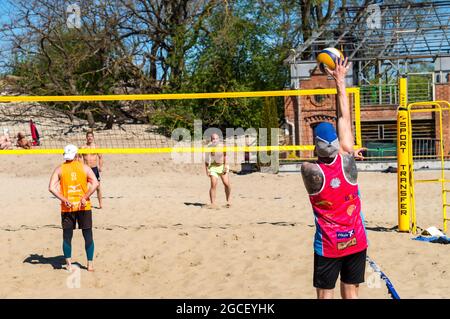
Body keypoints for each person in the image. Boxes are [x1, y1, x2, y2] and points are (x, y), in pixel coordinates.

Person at [300, 57, 368, 299]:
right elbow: (344, 119)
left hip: (328, 245)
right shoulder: (349, 160)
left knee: (324, 295)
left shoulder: (309, 171)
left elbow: (328, 150)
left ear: (316, 148)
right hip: (356, 240)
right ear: (338, 146)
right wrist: (340, 81)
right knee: (351, 293)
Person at [48, 144, 99, 272]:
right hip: (83, 206)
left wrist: (64, 199)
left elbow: (51, 188)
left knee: (67, 236)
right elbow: (95, 183)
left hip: (67, 207)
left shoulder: (59, 169)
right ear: (77, 155)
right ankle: (90, 264)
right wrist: (85, 197)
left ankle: (69, 264)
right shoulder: (85, 168)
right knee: (88, 235)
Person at [205, 133, 231, 209]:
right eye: (213, 139)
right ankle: (213, 203)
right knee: (213, 184)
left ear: (219, 139)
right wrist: (207, 170)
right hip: (213, 167)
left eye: (216, 138)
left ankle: (228, 201)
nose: (215, 140)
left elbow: (225, 156)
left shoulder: (222, 146)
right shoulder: (209, 147)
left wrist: (226, 166)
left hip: (222, 166)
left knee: (226, 184)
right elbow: (206, 160)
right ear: (211, 140)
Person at [80, 131, 103, 209]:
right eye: (88, 136)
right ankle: (83, 202)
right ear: (86, 138)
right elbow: (79, 158)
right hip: (86, 169)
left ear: (93, 138)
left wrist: (100, 167)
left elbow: (100, 157)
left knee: (98, 187)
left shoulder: (96, 147)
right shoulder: (82, 147)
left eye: (91, 136)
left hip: (94, 169)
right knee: (83, 187)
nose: (89, 138)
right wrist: (80, 167)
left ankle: (100, 204)